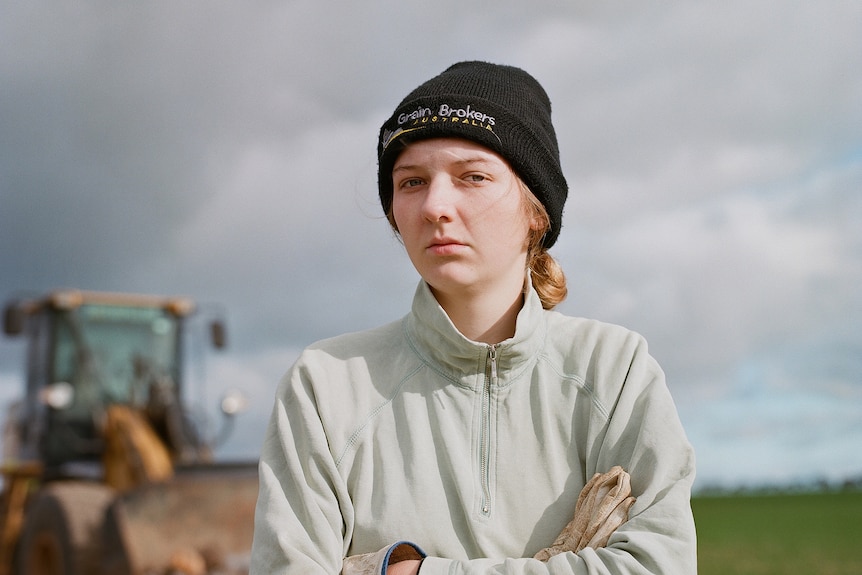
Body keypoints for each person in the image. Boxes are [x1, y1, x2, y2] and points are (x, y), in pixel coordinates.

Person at [250, 61, 697, 574]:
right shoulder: (325, 384)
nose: (436, 205)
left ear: (536, 210)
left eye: (473, 177)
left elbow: (658, 566)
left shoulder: (615, 371)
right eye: (412, 181)